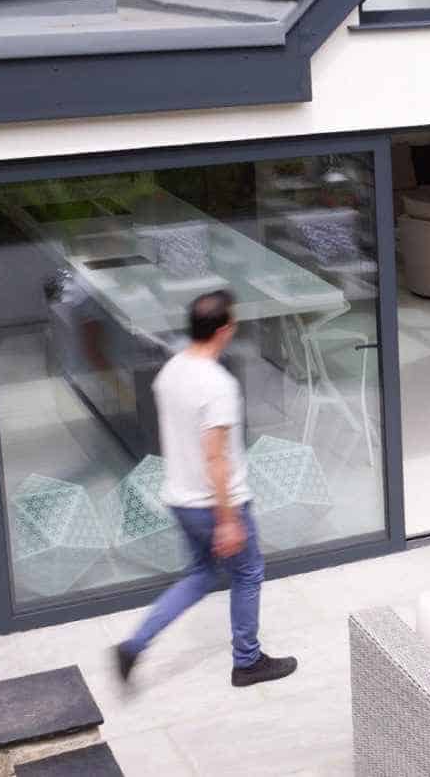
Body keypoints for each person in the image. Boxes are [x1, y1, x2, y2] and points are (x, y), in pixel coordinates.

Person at [115, 289, 298, 689]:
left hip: (180, 498)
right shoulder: (218, 385)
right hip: (214, 503)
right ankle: (247, 661)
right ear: (224, 330)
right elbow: (216, 457)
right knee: (248, 572)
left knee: (200, 575)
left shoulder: (171, 371)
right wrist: (228, 520)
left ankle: (135, 644)